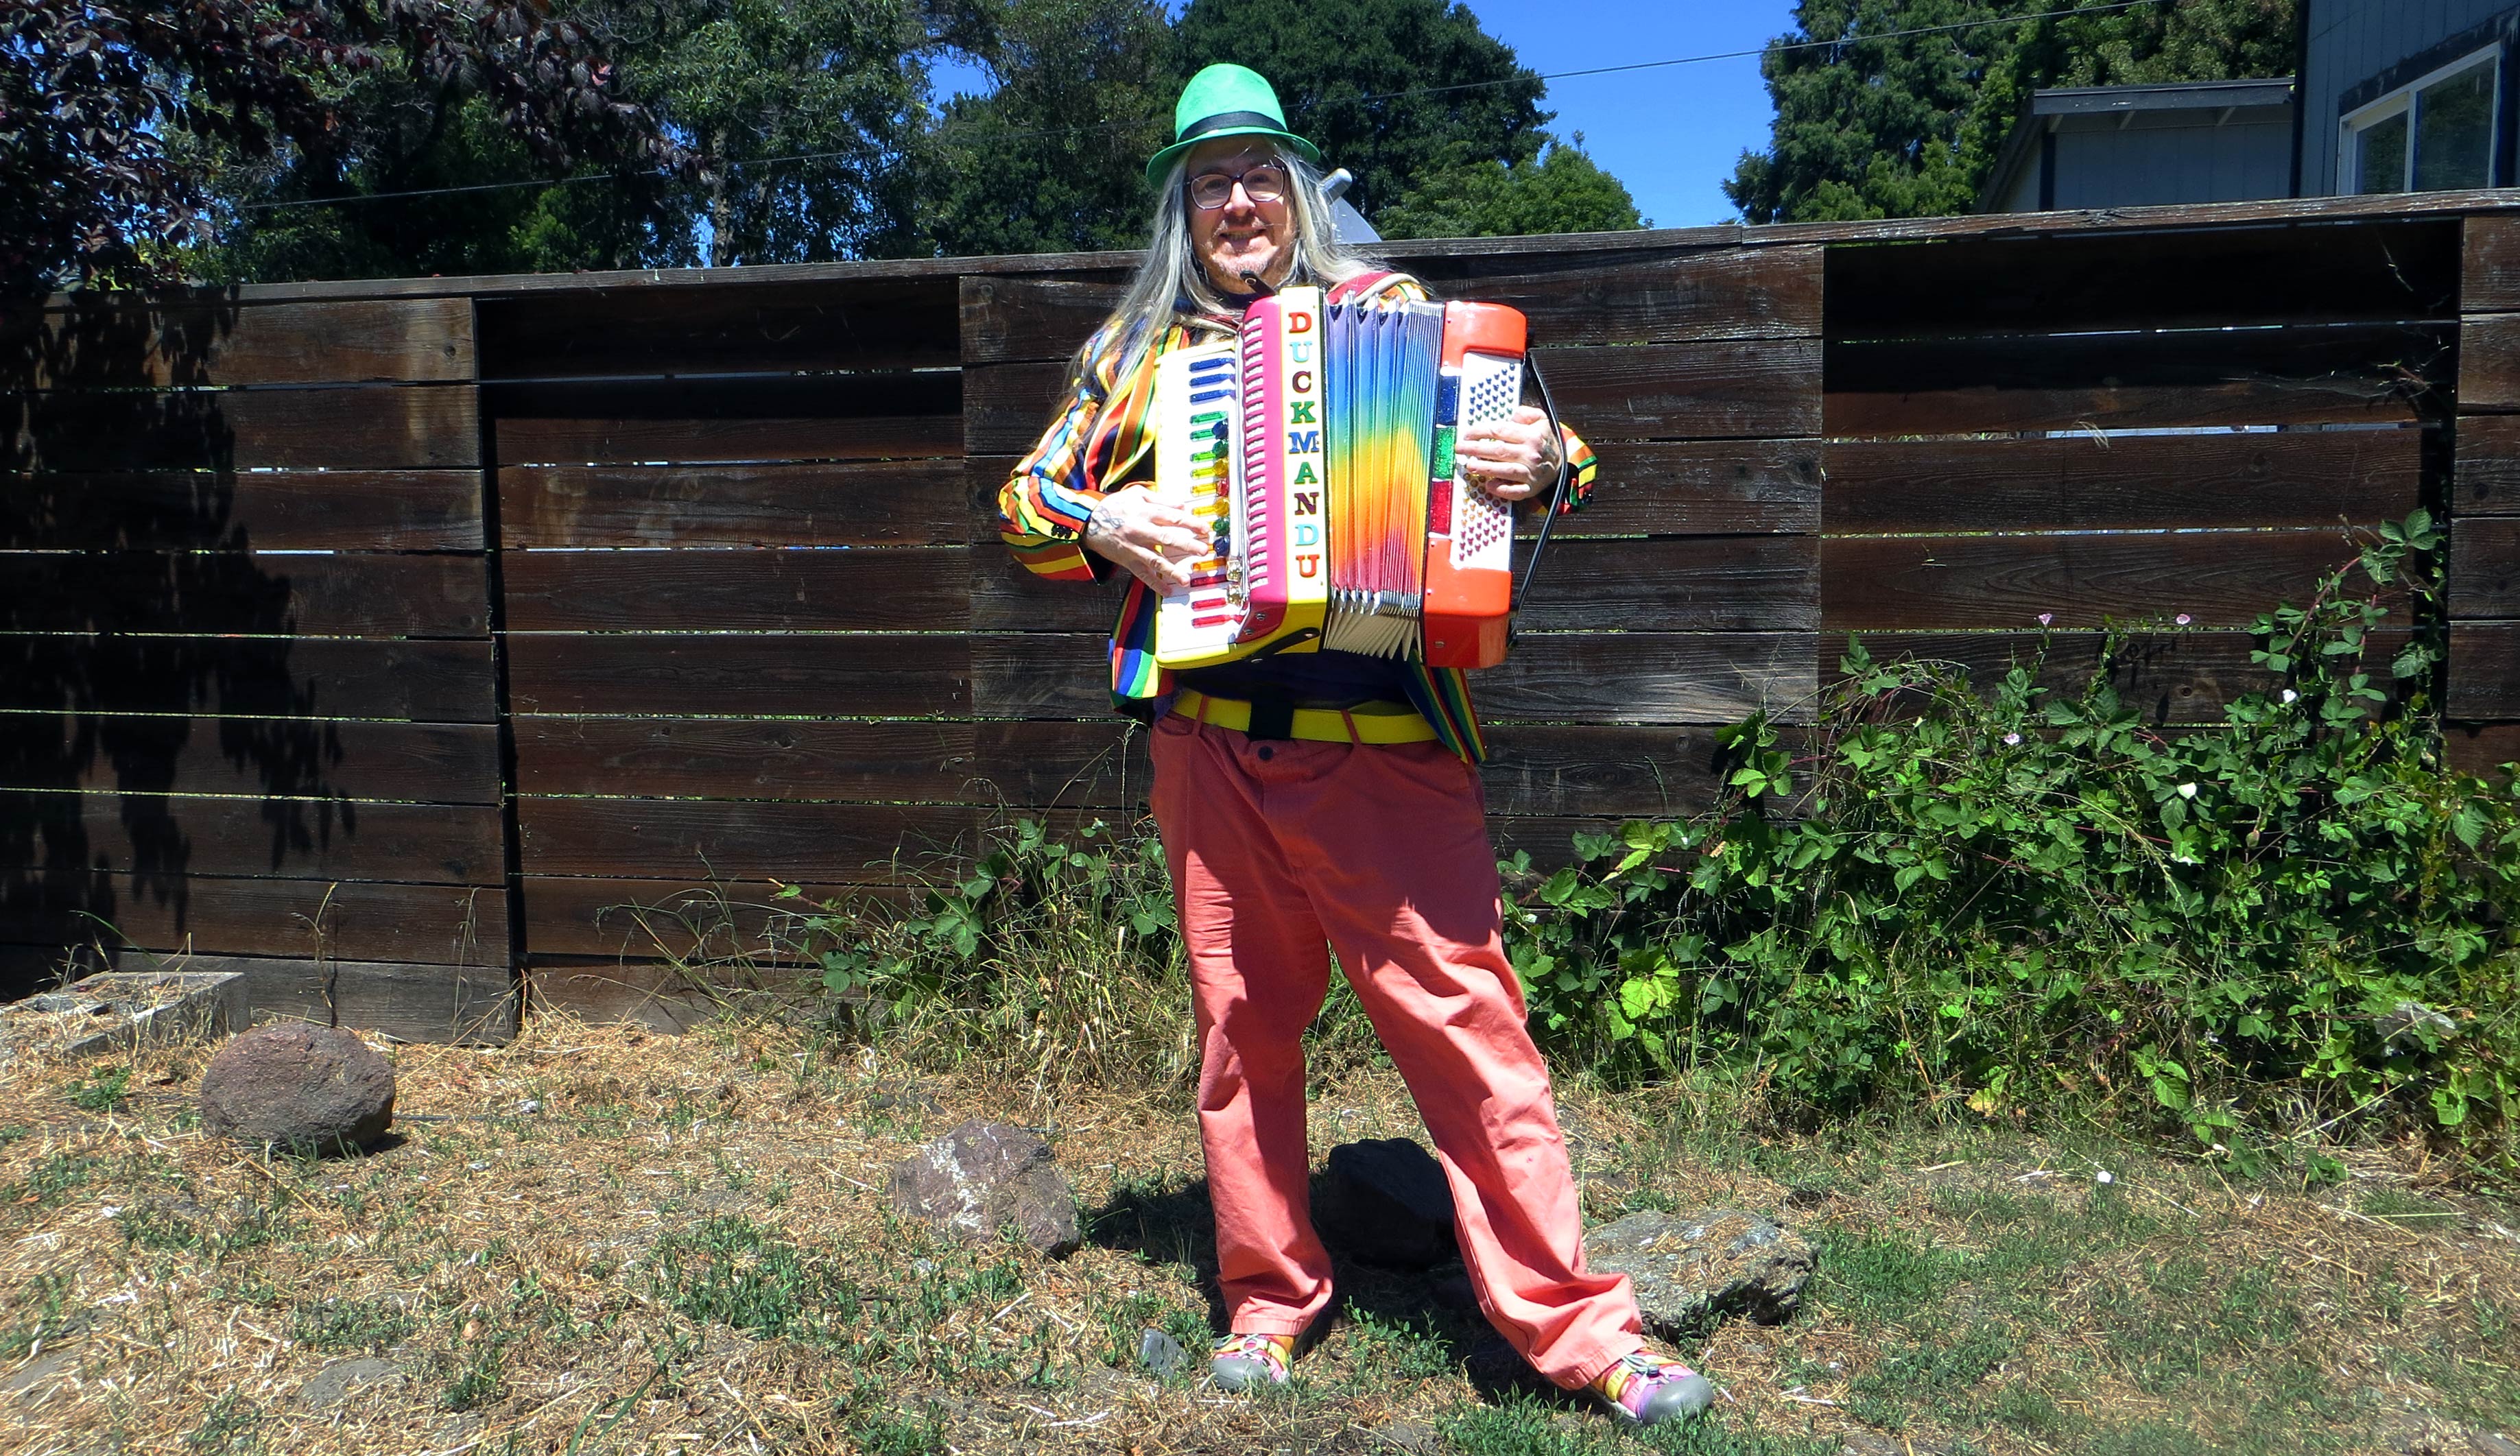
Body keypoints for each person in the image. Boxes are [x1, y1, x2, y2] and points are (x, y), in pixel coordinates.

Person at [993, 62, 1715, 1429]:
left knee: (1473, 1037)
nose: (1238, 200)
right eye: (1211, 180)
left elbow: (1556, 448)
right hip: (1210, 754)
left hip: (1384, 749)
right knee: (1240, 1038)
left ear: (1299, 191)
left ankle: (1581, 1331)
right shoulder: (1132, 355)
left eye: (1260, 171)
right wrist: (1097, 525)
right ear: (1181, 209)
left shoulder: (1392, 315)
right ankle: (1269, 1303)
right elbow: (1024, 499)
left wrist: (1538, 462)